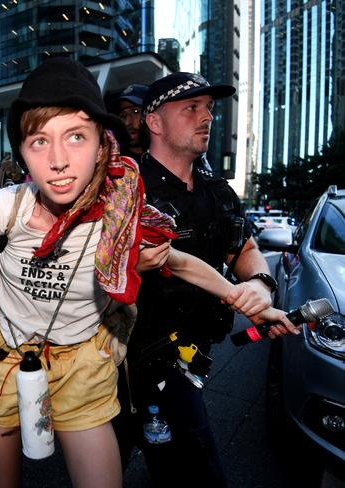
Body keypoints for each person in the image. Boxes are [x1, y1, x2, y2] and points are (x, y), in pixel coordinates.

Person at [0, 59, 295, 488]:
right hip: (9, 354)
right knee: (5, 457)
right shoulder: (2, 209)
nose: (57, 160)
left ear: (102, 146)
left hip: (85, 361)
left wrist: (251, 297)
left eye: (76, 137)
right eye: (38, 141)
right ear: (22, 152)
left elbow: (179, 261)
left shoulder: (123, 216)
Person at [113, 72, 288, 487]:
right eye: (191, 108)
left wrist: (259, 286)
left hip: (187, 359)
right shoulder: (125, 189)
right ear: (154, 123)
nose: (206, 116)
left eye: (208, 108)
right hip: (127, 361)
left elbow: (243, 250)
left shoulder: (217, 192)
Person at [110, 84, 149, 159]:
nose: (127, 122)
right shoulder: (112, 160)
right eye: (123, 115)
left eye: (135, 111)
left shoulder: (165, 157)